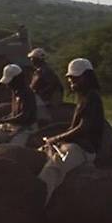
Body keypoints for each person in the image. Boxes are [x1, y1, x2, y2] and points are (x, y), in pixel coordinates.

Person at [37, 58, 105, 203]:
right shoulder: (83, 97)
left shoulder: (92, 98)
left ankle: (39, 203)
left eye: (75, 77)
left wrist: (57, 138)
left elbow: (83, 128)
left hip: (84, 148)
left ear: (87, 77)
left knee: (53, 169)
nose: (71, 81)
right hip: (76, 144)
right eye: (70, 77)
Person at [0, 63, 38, 145]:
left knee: (12, 146)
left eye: (9, 82)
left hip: (27, 128)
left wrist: (2, 121)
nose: (7, 85)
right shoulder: (15, 92)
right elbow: (14, 113)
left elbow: (23, 116)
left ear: (17, 80)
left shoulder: (27, 93)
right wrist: (2, 119)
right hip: (15, 125)